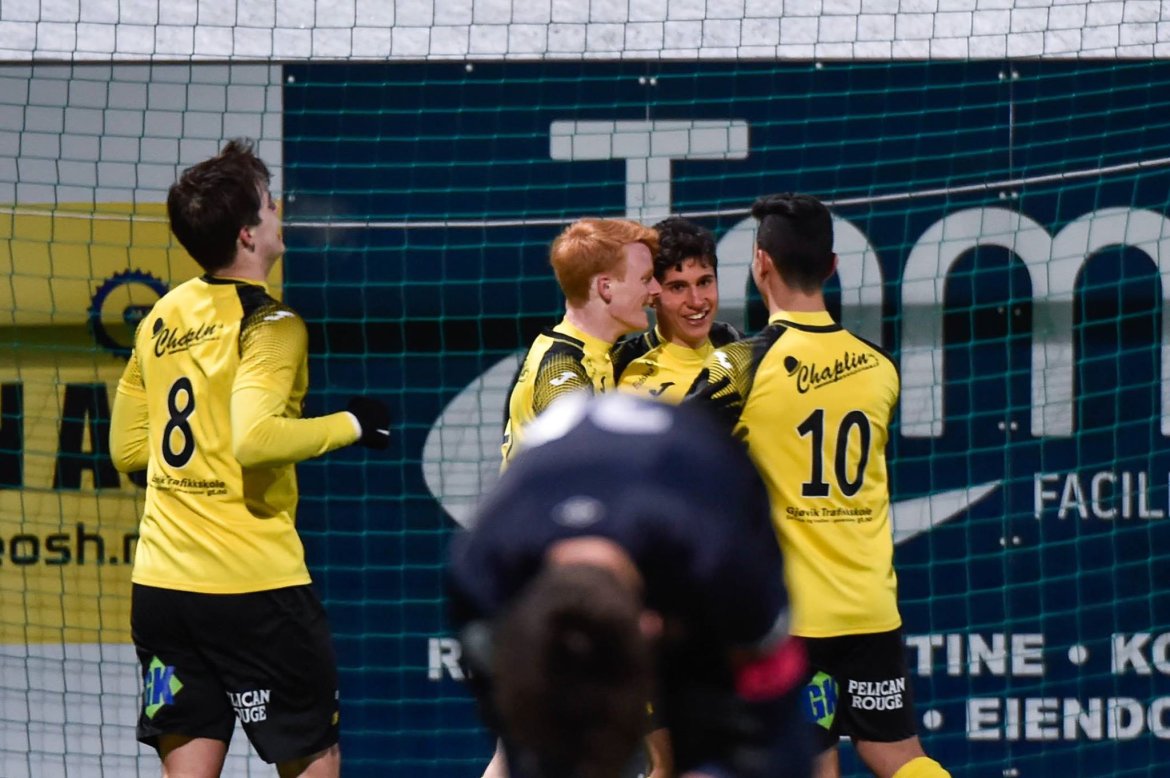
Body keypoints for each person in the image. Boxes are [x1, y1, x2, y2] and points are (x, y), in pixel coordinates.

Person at [109, 139, 390, 778]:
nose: (278, 210)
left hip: (163, 590)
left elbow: (126, 449)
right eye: (268, 203)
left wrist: (192, 480)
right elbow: (255, 440)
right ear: (247, 233)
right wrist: (353, 423)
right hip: (255, 590)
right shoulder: (272, 324)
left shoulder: (161, 315)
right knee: (313, 761)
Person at [684, 193, 949, 778]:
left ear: (760, 264)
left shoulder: (739, 364)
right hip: (869, 606)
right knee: (898, 754)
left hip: (793, 618)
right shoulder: (880, 367)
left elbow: (673, 451)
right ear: (832, 267)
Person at [449, 392, 813, 778]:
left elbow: (775, 731)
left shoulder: (721, 557)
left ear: (651, 626)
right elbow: (519, 734)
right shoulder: (483, 570)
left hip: (695, 511)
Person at [500, 217, 661, 464]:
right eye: (646, 279)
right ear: (606, 288)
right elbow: (582, 455)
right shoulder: (562, 366)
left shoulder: (595, 351)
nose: (656, 289)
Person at [614, 216, 741, 404]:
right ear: (652, 293)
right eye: (678, 287)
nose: (696, 301)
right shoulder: (622, 367)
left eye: (704, 282)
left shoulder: (745, 351)